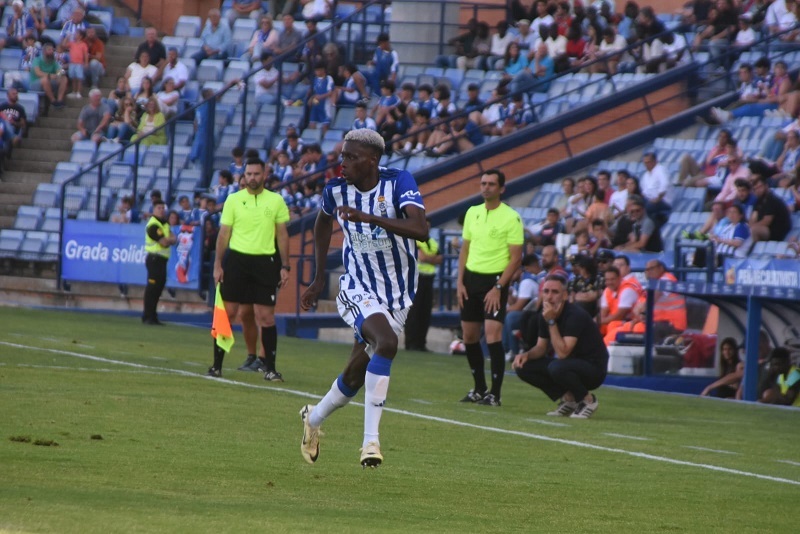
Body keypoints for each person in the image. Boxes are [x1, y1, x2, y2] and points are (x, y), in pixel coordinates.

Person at [298, 129, 427, 468]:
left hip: (398, 295)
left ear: (372, 161)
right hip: (358, 287)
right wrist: (318, 278)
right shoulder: (335, 190)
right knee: (387, 343)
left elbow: (421, 229)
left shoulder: (398, 182)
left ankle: (313, 418)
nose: (343, 163)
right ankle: (371, 442)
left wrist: (371, 219)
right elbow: (322, 224)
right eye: (343, 156)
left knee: (355, 376)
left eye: (351, 157)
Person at [208, 157, 291, 379]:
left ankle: (270, 369)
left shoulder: (276, 201)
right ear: (243, 176)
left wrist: (286, 266)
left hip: (265, 263)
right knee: (228, 314)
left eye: (256, 174)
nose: (252, 178)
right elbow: (223, 234)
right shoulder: (233, 200)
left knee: (266, 317)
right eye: (249, 174)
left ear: (264, 175)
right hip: (237, 261)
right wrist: (218, 265)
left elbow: (282, 235)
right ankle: (216, 366)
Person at [457, 169, 524, 407]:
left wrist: (498, 287)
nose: (486, 187)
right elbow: (465, 249)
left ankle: (495, 393)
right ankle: (479, 388)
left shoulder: (511, 217)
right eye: (483, 183)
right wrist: (460, 282)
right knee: (469, 336)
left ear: (501, 189)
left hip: (494, 281)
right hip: (471, 279)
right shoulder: (472, 212)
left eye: (491, 184)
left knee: (493, 334)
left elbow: (516, 258)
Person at [513, 274, 609, 419]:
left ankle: (588, 400)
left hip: (593, 368)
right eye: (546, 291)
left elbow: (563, 353)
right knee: (524, 366)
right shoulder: (545, 315)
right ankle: (569, 399)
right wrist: (526, 355)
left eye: (555, 292)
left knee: (557, 367)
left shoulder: (574, 315)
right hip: (570, 365)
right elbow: (541, 348)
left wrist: (551, 322)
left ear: (564, 295)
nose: (549, 296)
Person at [404, 219, 443, 352]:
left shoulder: (432, 242)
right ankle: (411, 343)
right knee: (414, 312)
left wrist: (430, 259)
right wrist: (432, 259)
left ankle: (421, 343)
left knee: (425, 312)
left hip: (429, 279)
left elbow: (440, 259)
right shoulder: (414, 240)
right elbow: (423, 257)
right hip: (416, 279)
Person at [142, 199, 177, 325]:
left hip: (162, 260)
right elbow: (164, 242)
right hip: (154, 259)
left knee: (158, 288)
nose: (161, 210)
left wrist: (169, 239)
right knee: (152, 288)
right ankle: (147, 316)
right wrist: (169, 240)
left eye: (163, 208)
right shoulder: (153, 225)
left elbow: (174, 238)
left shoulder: (164, 223)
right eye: (159, 208)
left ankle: (153, 315)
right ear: (153, 210)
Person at [29, 42, 68, 109]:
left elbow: (61, 71)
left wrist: (58, 74)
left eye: (53, 50)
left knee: (64, 78)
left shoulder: (53, 62)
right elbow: (38, 73)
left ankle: (59, 101)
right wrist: (50, 76)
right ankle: (53, 101)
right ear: (44, 51)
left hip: (49, 81)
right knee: (45, 80)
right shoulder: (37, 60)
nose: (52, 51)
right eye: (49, 50)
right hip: (35, 83)